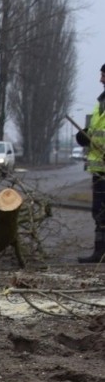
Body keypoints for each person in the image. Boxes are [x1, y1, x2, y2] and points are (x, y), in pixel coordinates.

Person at [74, 63, 105, 263]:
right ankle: (100, 252)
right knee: (100, 212)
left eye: (103, 75)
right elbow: (94, 131)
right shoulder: (99, 103)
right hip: (99, 170)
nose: (100, 79)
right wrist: (84, 136)